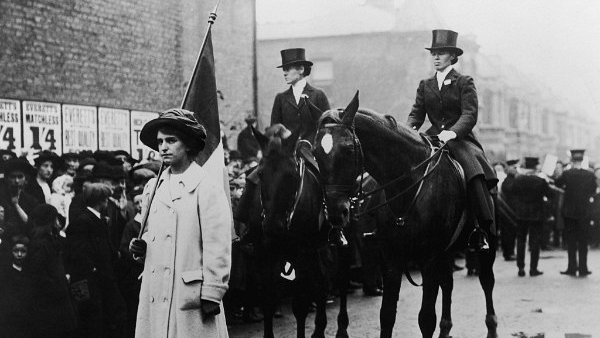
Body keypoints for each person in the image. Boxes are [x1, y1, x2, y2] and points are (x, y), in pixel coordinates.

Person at [130, 108, 232, 337]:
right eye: (160, 141)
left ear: (187, 144)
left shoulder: (206, 188)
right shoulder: (152, 188)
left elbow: (218, 246)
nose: (163, 147)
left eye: (171, 140)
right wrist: (142, 246)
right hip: (156, 293)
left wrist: (212, 291)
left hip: (189, 295)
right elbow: (151, 233)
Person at [407, 29, 497, 251]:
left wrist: (453, 132)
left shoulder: (464, 81)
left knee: (473, 172)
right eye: (434, 53)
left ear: (452, 57)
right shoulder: (425, 84)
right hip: (432, 136)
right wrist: (407, 131)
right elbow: (416, 115)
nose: (436, 57)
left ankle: (480, 228)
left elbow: (470, 114)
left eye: (441, 53)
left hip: (460, 138)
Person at [66, 182, 127, 338]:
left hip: (101, 279)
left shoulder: (94, 219)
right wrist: (92, 270)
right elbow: (79, 252)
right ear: (102, 200)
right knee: (93, 322)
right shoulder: (84, 220)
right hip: (93, 282)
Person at [27, 204, 77, 338]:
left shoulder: (50, 241)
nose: (58, 222)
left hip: (56, 305)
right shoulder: (41, 244)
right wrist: (58, 284)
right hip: (51, 307)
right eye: (55, 218)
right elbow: (38, 276)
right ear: (49, 221)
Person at [270, 47, 331, 142]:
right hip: (288, 153)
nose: (284, 73)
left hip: (313, 152)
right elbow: (273, 129)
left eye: (288, 69)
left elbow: (329, 127)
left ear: (301, 69)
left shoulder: (319, 95)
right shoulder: (280, 98)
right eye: (284, 70)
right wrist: (282, 132)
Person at [502, 157, 550, 277]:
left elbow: (512, 191)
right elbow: (550, 194)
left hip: (521, 214)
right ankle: (533, 269)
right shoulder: (540, 181)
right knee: (535, 242)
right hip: (536, 215)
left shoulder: (518, 180)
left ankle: (520, 268)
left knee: (521, 240)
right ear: (535, 168)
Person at [554, 149, 596, 276]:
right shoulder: (590, 174)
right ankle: (583, 268)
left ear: (572, 160)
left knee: (571, 241)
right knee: (583, 241)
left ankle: (572, 268)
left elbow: (557, 183)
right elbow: (593, 190)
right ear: (582, 160)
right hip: (584, 212)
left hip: (569, 212)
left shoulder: (567, 174)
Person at [0, 158, 40, 235]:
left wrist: (16, 205)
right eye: (13, 177)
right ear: (6, 179)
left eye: (20, 177)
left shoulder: (32, 201)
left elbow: (32, 226)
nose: (17, 181)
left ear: (26, 179)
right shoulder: (1, 197)